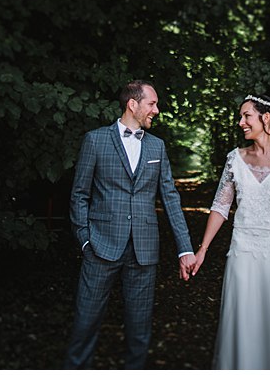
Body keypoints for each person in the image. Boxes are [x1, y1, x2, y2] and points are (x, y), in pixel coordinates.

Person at [64, 80, 197, 368]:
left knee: (139, 332)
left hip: (144, 250)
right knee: (85, 324)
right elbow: (79, 195)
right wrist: (85, 240)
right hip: (100, 247)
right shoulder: (95, 140)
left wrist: (185, 248)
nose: (157, 110)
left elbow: (171, 199)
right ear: (132, 104)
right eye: (152, 104)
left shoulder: (157, 147)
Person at [190, 95, 270, 369]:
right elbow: (220, 207)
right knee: (244, 321)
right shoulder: (234, 159)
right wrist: (202, 249)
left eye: (246, 116)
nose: (240, 122)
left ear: (265, 118)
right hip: (243, 253)